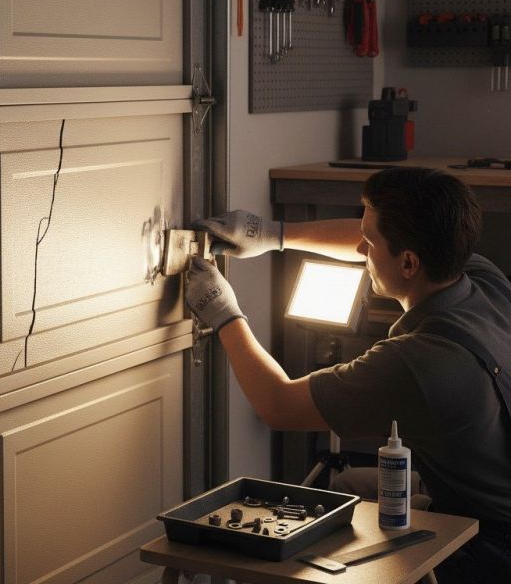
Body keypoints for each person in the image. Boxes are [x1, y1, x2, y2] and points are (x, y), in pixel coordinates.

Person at [185, 167, 511, 583]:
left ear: (409, 262)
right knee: (352, 482)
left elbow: (279, 405)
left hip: (491, 547)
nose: (360, 248)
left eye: (370, 242)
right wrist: (274, 234)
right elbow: (371, 239)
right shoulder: (482, 280)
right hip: (495, 487)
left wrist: (223, 312)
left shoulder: (419, 362)